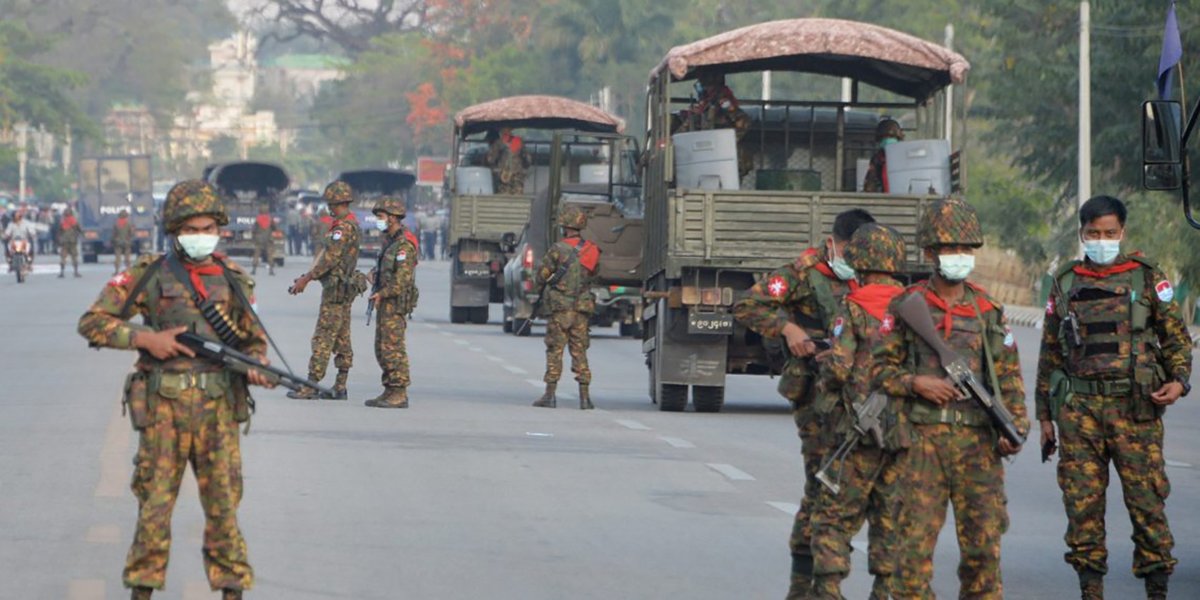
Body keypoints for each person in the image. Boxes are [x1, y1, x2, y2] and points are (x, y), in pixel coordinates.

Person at [77, 180, 273, 600]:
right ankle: (142, 589)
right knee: (154, 508)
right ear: (175, 229)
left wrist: (257, 367)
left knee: (223, 508)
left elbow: (254, 342)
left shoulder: (234, 279)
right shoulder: (148, 274)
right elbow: (92, 322)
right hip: (163, 407)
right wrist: (147, 340)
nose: (202, 235)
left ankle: (231, 588)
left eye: (208, 228)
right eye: (193, 228)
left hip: (218, 407)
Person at [870, 197, 1028, 599]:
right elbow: (875, 371)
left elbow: (1009, 382)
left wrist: (1016, 430)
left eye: (965, 248)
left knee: (983, 556)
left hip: (978, 447)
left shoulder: (988, 311)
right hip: (921, 445)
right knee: (911, 558)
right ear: (930, 253)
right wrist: (915, 383)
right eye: (949, 248)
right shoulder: (906, 306)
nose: (959, 256)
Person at [1036, 195, 1191, 600]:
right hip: (1080, 413)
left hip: (1135, 412)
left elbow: (1176, 338)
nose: (1101, 240)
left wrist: (1180, 380)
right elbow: (1050, 353)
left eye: (1109, 233)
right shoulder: (1066, 281)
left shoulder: (1145, 278)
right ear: (1082, 234)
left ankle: (1157, 589)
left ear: (1122, 232)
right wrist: (1045, 419)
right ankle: (1091, 590)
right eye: (1093, 234)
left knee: (1147, 505)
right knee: (1082, 508)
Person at [731, 208, 875, 598]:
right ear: (834, 243)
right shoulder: (802, 271)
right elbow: (748, 305)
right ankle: (804, 586)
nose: (855, 258)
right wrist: (789, 328)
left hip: (860, 393)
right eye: (850, 250)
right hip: (816, 391)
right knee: (822, 483)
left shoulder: (873, 271)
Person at [808, 223, 910, 600]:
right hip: (903, 431)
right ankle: (885, 591)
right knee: (891, 517)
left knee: (833, 516)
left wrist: (824, 385)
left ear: (860, 261)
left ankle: (830, 590)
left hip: (857, 430)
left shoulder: (853, 306)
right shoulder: (916, 304)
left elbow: (838, 368)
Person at [287, 181, 363, 400]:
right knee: (342, 337)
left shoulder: (342, 228)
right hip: (345, 289)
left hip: (336, 291)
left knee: (323, 336)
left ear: (333, 203)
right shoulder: (352, 224)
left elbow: (329, 259)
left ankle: (311, 384)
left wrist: (307, 278)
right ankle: (340, 385)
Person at [532, 205, 600, 410]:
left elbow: (542, 276)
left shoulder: (558, 249)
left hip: (560, 309)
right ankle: (585, 398)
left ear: (564, 225)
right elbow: (595, 275)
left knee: (555, 350)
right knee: (580, 351)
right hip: (581, 309)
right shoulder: (592, 249)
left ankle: (550, 395)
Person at [364, 196, 419, 409]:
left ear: (393, 218)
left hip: (394, 303)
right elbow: (388, 270)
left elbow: (402, 280)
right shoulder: (391, 242)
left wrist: (382, 293)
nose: (379, 221)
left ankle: (399, 391)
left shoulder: (404, 245)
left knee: (393, 347)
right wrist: (375, 275)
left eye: (381, 216)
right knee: (382, 347)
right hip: (385, 301)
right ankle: (389, 389)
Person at [862, 119, 905, 193]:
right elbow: (870, 182)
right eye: (885, 137)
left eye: (891, 137)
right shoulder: (878, 158)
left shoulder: (905, 156)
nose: (888, 140)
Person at [486, 127, 529, 195]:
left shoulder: (499, 143)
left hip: (503, 175)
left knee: (504, 198)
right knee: (518, 197)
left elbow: (491, 160)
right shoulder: (518, 141)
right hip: (517, 175)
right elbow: (528, 159)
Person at [250, 204, 277, 276]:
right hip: (268, 239)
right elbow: (275, 228)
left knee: (256, 254)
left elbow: (253, 230)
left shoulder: (257, 219)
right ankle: (271, 270)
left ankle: (254, 270)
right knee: (270, 255)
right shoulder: (270, 219)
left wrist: (253, 238)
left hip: (259, 240)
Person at [58, 207, 83, 278]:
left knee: (63, 257)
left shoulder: (63, 221)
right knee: (74, 256)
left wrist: (59, 240)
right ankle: (76, 272)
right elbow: (79, 229)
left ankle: (62, 272)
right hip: (72, 240)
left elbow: (59, 231)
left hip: (64, 241)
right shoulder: (74, 220)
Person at [112, 209, 135, 273]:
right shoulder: (128, 224)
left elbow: (114, 234)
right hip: (127, 242)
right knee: (127, 258)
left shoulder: (116, 224)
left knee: (117, 257)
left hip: (118, 242)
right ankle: (129, 270)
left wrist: (113, 241)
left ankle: (116, 271)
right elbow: (131, 233)